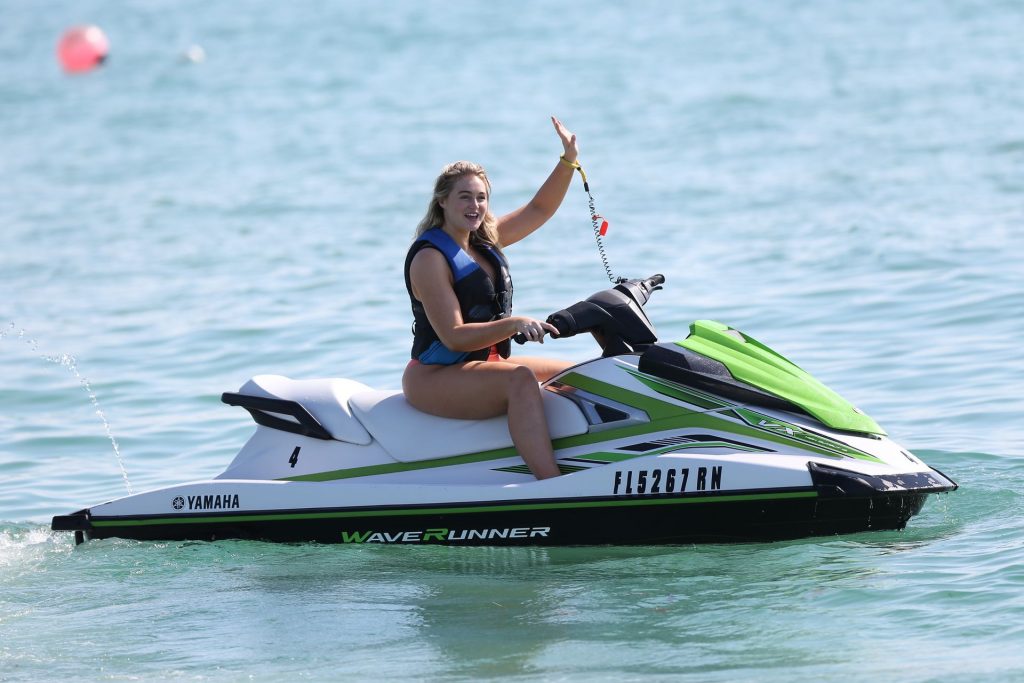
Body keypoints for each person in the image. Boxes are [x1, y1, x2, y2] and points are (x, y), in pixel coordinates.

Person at [403, 116, 581, 480]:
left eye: (481, 197)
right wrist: (514, 324)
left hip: (484, 362)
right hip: (435, 376)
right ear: (443, 202)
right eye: (465, 197)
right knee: (520, 380)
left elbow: (539, 210)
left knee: (580, 373)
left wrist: (568, 161)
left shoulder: (483, 241)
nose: (475, 205)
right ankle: (550, 484)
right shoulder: (430, 259)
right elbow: (454, 337)